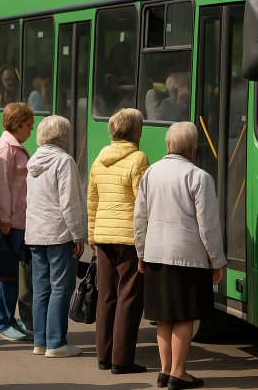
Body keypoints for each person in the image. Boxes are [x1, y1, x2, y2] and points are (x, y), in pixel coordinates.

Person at [134, 122, 226, 390]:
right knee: (185, 316)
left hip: (155, 253)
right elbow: (208, 226)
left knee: (164, 317)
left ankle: (165, 372)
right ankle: (179, 373)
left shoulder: (150, 173)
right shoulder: (199, 177)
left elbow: (140, 218)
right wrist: (217, 261)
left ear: (167, 145)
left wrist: (141, 252)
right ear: (191, 148)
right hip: (187, 257)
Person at [88, 108, 149, 374]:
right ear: (137, 131)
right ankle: (121, 360)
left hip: (103, 237)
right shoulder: (138, 158)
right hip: (128, 239)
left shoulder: (99, 159)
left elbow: (93, 201)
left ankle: (104, 356)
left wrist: (92, 235)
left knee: (107, 296)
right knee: (129, 297)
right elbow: (143, 204)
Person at [26, 115, 87, 357]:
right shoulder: (64, 161)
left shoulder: (33, 160)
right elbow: (69, 203)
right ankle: (56, 343)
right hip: (59, 234)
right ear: (62, 136)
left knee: (41, 289)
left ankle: (40, 342)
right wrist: (78, 234)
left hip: (35, 234)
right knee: (61, 288)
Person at [0, 102, 35, 342]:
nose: (32, 129)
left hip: (16, 221)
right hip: (11, 223)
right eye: (29, 125)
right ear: (16, 124)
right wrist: (4, 219)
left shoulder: (12, 146)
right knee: (5, 274)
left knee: (11, 274)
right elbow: (1, 187)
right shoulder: (5, 147)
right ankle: (1, 322)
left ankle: (7, 318)